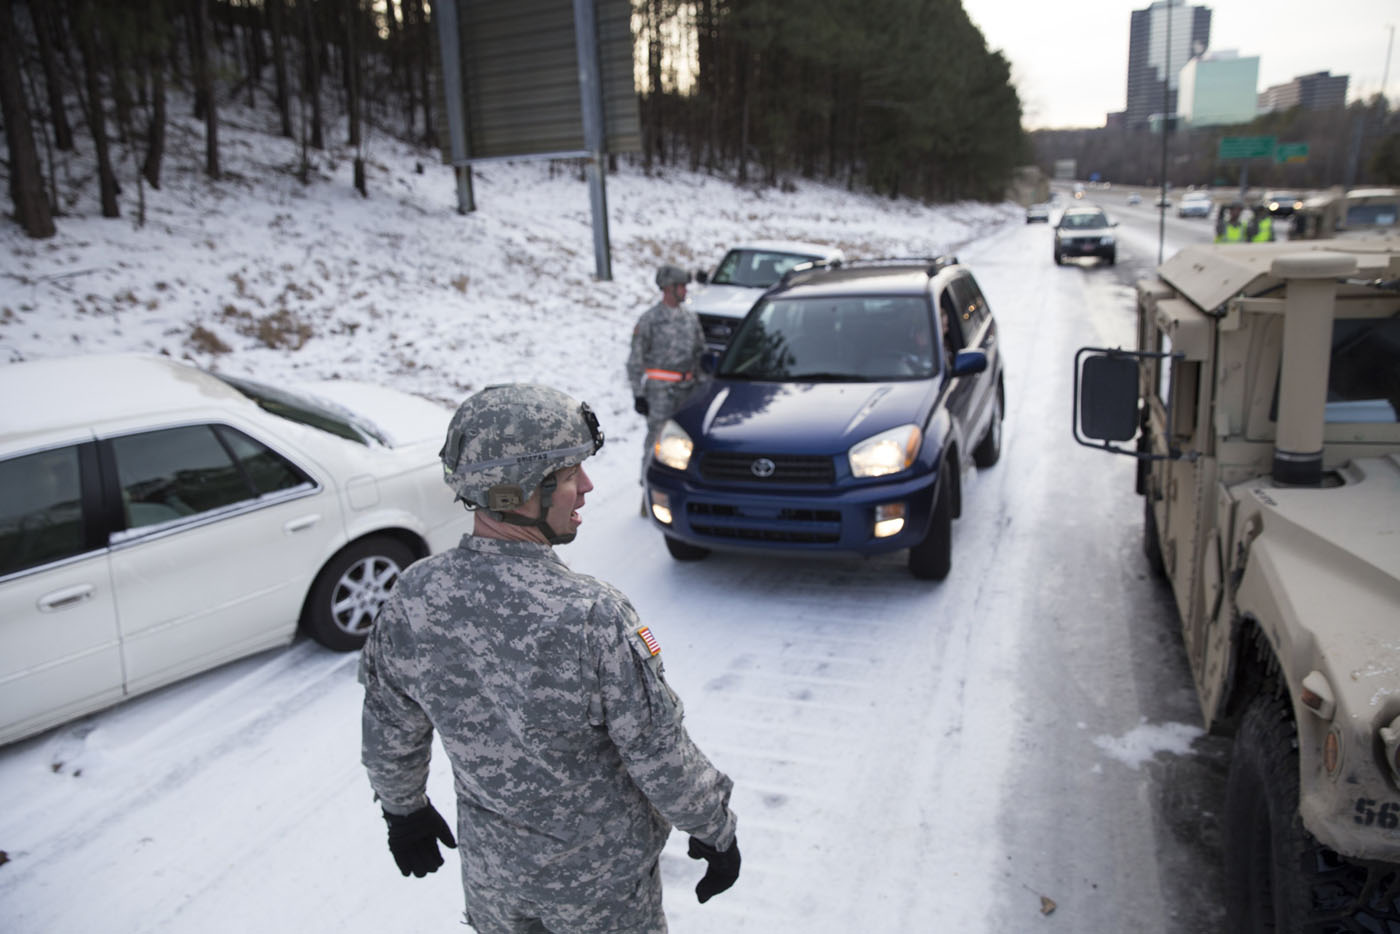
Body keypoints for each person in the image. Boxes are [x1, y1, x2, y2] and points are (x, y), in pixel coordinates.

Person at [359, 383, 740, 933]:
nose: (586, 488)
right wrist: (714, 827)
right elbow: (658, 750)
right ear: (515, 494)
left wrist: (404, 811)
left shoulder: (415, 597)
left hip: (496, 882)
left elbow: (389, 727)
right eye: (567, 476)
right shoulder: (592, 616)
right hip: (600, 893)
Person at [626, 265, 707, 485]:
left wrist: (703, 388)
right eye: (681, 287)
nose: (685, 291)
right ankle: (648, 488)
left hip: (687, 391)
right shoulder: (649, 320)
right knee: (655, 441)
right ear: (668, 289)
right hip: (660, 393)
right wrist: (638, 395)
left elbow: (701, 354)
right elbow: (635, 361)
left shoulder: (690, 319)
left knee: (686, 442)